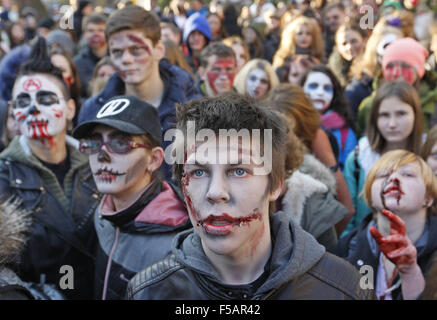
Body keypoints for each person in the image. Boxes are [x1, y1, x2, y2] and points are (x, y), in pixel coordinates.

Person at [126, 92, 373, 300]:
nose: (216, 192)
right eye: (198, 172)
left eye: (238, 171)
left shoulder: (343, 289)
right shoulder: (149, 292)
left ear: (275, 184)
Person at [0, 37, 101, 299]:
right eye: (22, 102)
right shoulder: (2, 177)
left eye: (45, 98)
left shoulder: (102, 165)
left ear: (70, 109)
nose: (33, 108)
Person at [72, 95, 190, 300]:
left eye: (120, 143)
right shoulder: (101, 215)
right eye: (94, 143)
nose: (102, 156)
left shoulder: (179, 244)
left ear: (154, 160)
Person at [78, 5, 200, 181]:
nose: (126, 60)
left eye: (136, 50)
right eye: (117, 52)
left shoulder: (196, 110)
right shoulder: (94, 111)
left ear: (158, 50)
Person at [335, 150, 437, 300]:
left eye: (408, 174)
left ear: (428, 198)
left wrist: (410, 272)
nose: (393, 178)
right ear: (370, 198)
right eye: (383, 175)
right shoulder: (347, 248)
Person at [343, 81, 424, 236]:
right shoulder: (358, 159)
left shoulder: (429, 156)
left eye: (401, 114)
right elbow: (349, 218)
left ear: (415, 114)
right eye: (384, 115)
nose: (392, 124)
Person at [300, 64, 358, 171]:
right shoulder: (291, 124)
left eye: (327, 88)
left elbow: (349, 173)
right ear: (301, 89)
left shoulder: (346, 133)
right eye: (313, 86)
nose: (320, 93)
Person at [73, 13, 108, 99]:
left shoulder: (118, 60)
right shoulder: (77, 63)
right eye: (91, 30)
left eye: (100, 30)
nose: (96, 34)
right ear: (84, 34)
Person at [328, 20, 367, 88]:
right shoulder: (331, 73)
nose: (349, 47)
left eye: (354, 41)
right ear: (337, 48)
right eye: (344, 44)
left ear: (364, 41)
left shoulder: (373, 66)